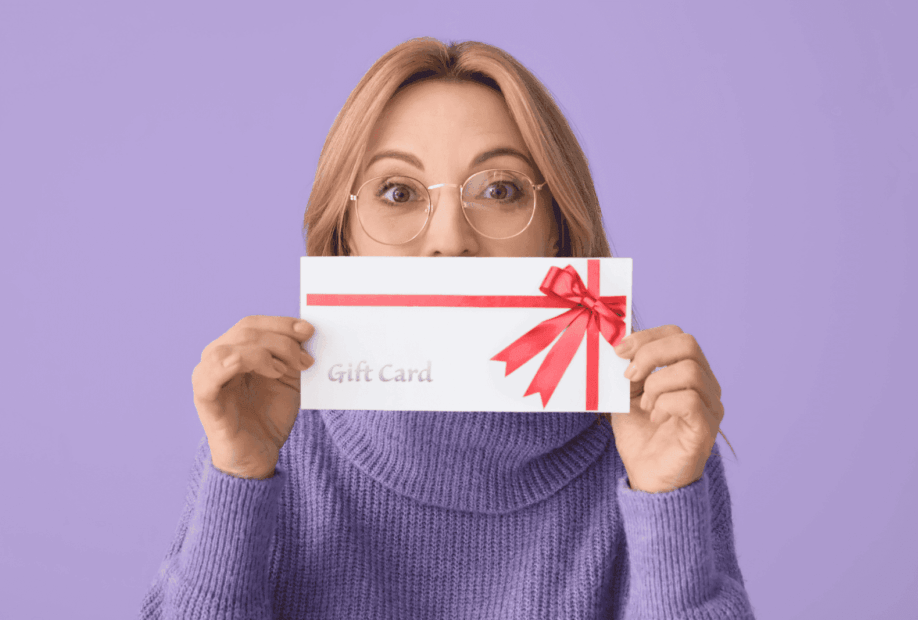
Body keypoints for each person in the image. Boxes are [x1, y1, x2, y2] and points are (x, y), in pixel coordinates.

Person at [139, 37, 755, 619]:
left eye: (500, 189)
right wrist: (238, 480)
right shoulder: (272, 434)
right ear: (344, 238)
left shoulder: (649, 441)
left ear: (559, 231)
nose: (449, 241)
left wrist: (664, 500)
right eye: (399, 192)